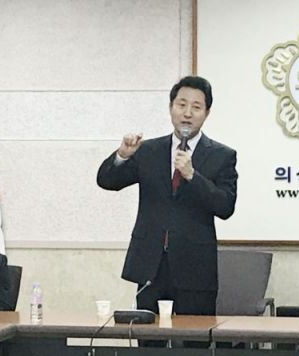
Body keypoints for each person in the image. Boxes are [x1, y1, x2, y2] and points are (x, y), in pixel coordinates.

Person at [96, 75, 237, 316]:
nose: (187, 113)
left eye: (196, 107)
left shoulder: (222, 156)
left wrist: (192, 176)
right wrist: (122, 156)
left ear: (207, 113)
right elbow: (107, 181)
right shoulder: (148, 150)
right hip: (151, 265)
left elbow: (225, 206)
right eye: (181, 105)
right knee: (148, 335)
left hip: (195, 268)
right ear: (171, 107)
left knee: (194, 337)